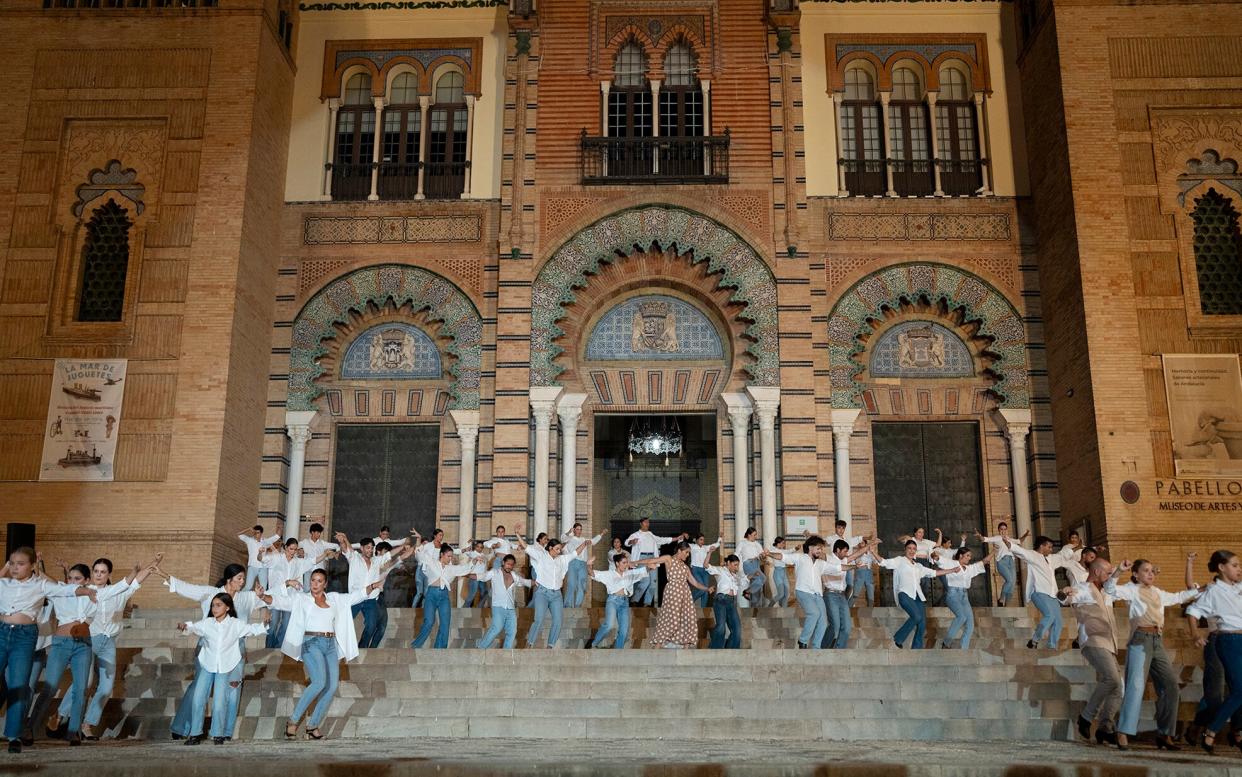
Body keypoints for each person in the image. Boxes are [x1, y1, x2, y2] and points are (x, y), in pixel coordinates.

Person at [36, 556, 158, 743]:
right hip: (88, 641)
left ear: (109, 574)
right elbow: (58, 586)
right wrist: (38, 568)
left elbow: (135, 580)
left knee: (106, 687)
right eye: (96, 571)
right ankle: (60, 715)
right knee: (85, 682)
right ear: (91, 573)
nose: (99, 575)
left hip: (108, 643)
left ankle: (88, 724)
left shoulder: (117, 592)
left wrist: (152, 564)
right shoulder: (85, 591)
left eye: (103, 572)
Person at [267, 568, 381, 741]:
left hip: (330, 645)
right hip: (311, 642)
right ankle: (293, 721)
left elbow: (354, 596)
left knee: (331, 686)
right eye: (313, 580)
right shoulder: (302, 599)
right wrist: (263, 597)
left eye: (319, 581)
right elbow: (279, 602)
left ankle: (312, 726)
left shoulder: (334, 598)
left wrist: (372, 586)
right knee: (319, 682)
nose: (315, 584)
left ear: (325, 584)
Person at [0, 550, 96, 754]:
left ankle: (14, 736)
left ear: (32, 565)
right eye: (12, 563)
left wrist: (85, 591)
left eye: (20, 564)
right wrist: (6, 569)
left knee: (19, 685)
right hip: (2, 633)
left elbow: (65, 590)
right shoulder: (4, 583)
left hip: (25, 637)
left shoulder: (40, 585)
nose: (15, 567)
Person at [160, 562, 268, 741]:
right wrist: (163, 573)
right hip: (208, 646)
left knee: (232, 690)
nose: (242, 582)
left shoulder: (246, 597)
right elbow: (187, 588)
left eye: (243, 578)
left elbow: (269, 598)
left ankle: (224, 732)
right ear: (229, 579)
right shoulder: (211, 593)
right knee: (198, 690)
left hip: (235, 649)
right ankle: (183, 727)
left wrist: (283, 587)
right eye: (239, 578)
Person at [1111, 556, 1200, 751]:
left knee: (1170, 687)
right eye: (1146, 570)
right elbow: (1110, 590)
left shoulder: (1158, 592)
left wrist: (1197, 590)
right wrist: (1118, 571)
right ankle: (1122, 732)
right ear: (1135, 574)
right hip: (1140, 640)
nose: (1151, 573)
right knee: (1135, 686)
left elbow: (1178, 597)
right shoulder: (1130, 590)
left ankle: (1165, 734)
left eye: (1152, 570)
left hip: (1157, 641)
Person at [175, 593, 266, 745]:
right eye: (213, 605)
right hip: (207, 664)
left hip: (225, 666)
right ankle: (195, 734)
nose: (214, 608)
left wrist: (265, 624)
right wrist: (185, 627)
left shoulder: (236, 624)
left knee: (219, 701)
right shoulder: (207, 623)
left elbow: (252, 629)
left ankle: (217, 734)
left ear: (227, 607)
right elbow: (192, 627)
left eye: (219, 605)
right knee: (198, 698)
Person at [1060, 557, 1126, 746]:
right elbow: (1069, 597)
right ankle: (1086, 717)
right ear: (1096, 572)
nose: (1109, 576)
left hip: (1109, 643)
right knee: (1112, 679)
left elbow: (1114, 582)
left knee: (1118, 687)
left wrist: (1120, 570)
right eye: (1106, 572)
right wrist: (1064, 593)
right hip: (1093, 641)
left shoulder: (1107, 591)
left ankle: (1106, 728)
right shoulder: (1084, 588)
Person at [1186, 549, 1242, 755]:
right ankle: (1211, 731)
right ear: (1221, 567)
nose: (1239, 569)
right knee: (1238, 690)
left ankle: (1238, 732)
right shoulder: (1213, 591)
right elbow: (1192, 612)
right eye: (1235, 565)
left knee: (1239, 689)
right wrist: (1195, 635)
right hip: (1228, 639)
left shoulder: (1239, 588)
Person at [514, 529, 590, 648]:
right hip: (542, 593)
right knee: (538, 619)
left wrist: (584, 543)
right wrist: (517, 534)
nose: (559, 551)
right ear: (550, 548)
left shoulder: (562, 559)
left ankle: (550, 645)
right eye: (557, 549)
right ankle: (529, 644)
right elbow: (526, 547)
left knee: (558, 621)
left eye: (560, 549)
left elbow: (575, 553)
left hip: (556, 595)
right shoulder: (541, 556)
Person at [880, 539, 958, 649]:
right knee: (916, 616)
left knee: (922, 624)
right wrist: (872, 551)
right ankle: (898, 638)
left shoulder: (918, 566)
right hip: (904, 593)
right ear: (905, 549)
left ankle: (916, 649)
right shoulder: (900, 560)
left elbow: (934, 573)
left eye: (914, 549)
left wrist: (952, 570)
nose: (912, 551)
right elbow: (884, 562)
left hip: (918, 596)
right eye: (909, 548)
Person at [633, 541, 711, 648]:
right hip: (673, 591)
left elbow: (695, 583)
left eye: (689, 553)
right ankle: (657, 646)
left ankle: (686, 649)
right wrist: (634, 562)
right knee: (672, 620)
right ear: (679, 550)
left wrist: (707, 589)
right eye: (686, 552)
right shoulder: (669, 559)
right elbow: (652, 560)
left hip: (685, 594)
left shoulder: (685, 567)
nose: (688, 555)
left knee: (689, 619)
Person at [336, 533, 405, 649]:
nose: (370, 550)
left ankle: (362, 647)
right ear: (362, 548)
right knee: (344, 622)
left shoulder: (376, 561)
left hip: (370, 600)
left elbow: (389, 554)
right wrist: (342, 540)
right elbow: (345, 549)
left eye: (372, 548)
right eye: (368, 548)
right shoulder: (354, 558)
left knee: (372, 626)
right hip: (355, 598)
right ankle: (337, 647)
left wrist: (403, 546)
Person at [1005, 535, 1072, 649]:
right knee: (1049, 615)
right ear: (1042, 546)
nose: (1051, 550)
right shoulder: (1033, 555)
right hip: (1039, 592)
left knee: (1058, 622)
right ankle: (1035, 640)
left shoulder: (1051, 559)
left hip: (1053, 595)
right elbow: (1020, 551)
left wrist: (1080, 548)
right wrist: (1009, 544)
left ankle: (1051, 646)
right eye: (1049, 547)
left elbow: (1063, 555)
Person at [262, 539, 331, 649]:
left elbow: (313, 561)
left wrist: (325, 554)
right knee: (273, 624)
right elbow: (262, 559)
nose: (293, 552)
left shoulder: (298, 562)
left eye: (295, 549)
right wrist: (260, 553)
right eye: (291, 549)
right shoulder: (276, 558)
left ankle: (279, 649)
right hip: (275, 597)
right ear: (285, 547)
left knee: (286, 626)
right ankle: (268, 649)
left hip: (290, 599)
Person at [765, 536, 830, 650]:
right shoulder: (800, 558)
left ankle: (816, 647)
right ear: (810, 548)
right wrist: (769, 554)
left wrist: (854, 565)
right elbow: (783, 556)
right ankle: (803, 640)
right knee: (814, 613)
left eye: (821, 548)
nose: (820, 551)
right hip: (803, 591)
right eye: (818, 548)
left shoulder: (820, 563)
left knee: (824, 622)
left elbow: (838, 567)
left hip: (818, 595)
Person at [410, 544, 471, 649]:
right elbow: (420, 555)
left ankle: (440, 649)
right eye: (448, 556)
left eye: (451, 556)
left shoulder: (451, 568)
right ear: (442, 554)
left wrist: (473, 562)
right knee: (429, 621)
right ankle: (416, 645)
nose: (450, 558)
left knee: (445, 624)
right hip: (431, 595)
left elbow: (464, 569)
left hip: (444, 596)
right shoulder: (432, 562)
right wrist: (419, 544)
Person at [584, 555, 648, 649]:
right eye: (624, 563)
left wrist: (648, 564)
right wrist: (589, 564)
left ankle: (618, 651)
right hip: (613, 601)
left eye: (627, 563)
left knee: (624, 630)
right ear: (617, 563)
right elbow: (592, 573)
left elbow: (646, 569)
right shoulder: (609, 574)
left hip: (624, 603)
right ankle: (593, 644)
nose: (626, 565)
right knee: (609, 624)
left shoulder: (630, 573)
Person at [940, 545, 994, 650]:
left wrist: (994, 551)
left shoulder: (970, 569)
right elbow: (939, 560)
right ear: (960, 556)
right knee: (961, 617)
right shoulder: (951, 563)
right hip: (952, 594)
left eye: (970, 556)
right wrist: (935, 556)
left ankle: (964, 649)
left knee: (970, 624)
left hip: (964, 597)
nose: (970, 558)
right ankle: (946, 643)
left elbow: (984, 561)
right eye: (967, 555)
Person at [624, 519, 687, 607]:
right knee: (645, 581)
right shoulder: (635, 534)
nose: (647, 524)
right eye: (646, 522)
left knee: (653, 582)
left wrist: (677, 538)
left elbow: (662, 540)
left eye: (648, 522)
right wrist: (632, 541)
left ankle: (647, 603)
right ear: (641, 524)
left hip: (653, 558)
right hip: (642, 558)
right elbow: (626, 543)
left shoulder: (651, 534)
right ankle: (634, 600)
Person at [474, 555, 531, 649]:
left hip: (510, 607)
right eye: (508, 564)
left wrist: (539, 582)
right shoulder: (494, 572)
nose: (510, 566)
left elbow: (526, 582)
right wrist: (466, 573)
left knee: (512, 631)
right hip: (498, 605)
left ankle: (506, 652)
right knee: (496, 628)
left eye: (512, 565)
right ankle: (480, 647)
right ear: (503, 563)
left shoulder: (514, 576)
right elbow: (482, 577)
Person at [821, 539, 869, 649]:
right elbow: (816, 553)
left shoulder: (844, 560)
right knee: (835, 626)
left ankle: (839, 649)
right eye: (845, 551)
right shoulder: (827, 558)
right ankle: (822, 648)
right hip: (830, 595)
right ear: (837, 550)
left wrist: (870, 544)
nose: (846, 554)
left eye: (847, 552)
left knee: (847, 627)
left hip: (842, 596)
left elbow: (857, 553)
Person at [977, 523, 1028, 606]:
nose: (1003, 531)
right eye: (1001, 529)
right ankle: (1001, 599)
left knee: (1012, 584)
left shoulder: (1010, 539)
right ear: (999, 530)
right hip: (1002, 561)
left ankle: (1007, 605)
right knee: (1009, 580)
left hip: (1011, 562)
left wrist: (1025, 535)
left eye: (1005, 529)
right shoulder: (997, 538)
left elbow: (1019, 541)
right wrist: (979, 536)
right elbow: (985, 539)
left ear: (1007, 530)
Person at [705, 555, 746, 649]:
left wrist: (754, 574)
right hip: (721, 600)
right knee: (721, 627)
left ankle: (732, 650)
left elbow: (744, 581)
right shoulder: (720, 570)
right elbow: (706, 566)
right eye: (735, 565)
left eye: (737, 565)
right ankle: (715, 649)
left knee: (737, 628)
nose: (737, 567)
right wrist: (710, 553)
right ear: (728, 563)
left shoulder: (735, 576)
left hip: (732, 602)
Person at [560, 524, 604, 608]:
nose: (579, 531)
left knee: (582, 585)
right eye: (577, 529)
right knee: (572, 584)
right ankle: (567, 606)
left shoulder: (584, 539)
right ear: (574, 530)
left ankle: (577, 605)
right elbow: (562, 538)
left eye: (580, 529)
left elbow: (593, 541)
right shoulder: (570, 538)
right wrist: (569, 532)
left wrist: (601, 534)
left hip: (583, 564)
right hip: (572, 562)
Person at [238, 526, 281, 591]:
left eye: (257, 533)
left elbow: (277, 536)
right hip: (252, 567)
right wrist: (248, 529)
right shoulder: (250, 540)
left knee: (263, 588)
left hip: (263, 567)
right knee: (248, 587)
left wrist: (279, 528)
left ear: (261, 533)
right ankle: (238, 599)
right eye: (254, 533)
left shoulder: (265, 541)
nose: (255, 534)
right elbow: (238, 534)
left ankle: (260, 600)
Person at [298, 522, 339, 590]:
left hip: (320, 571)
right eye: (317, 532)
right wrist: (299, 553)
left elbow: (336, 546)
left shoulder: (322, 543)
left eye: (320, 532)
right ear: (312, 532)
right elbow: (295, 547)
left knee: (320, 590)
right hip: (308, 570)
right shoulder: (304, 542)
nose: (319, 534)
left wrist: (337, 552)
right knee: (307, 590)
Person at [411, 528, 445, 608]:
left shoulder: (442, 546)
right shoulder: (428, 545)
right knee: (419, 592)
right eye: (440, 535)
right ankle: (413, 609)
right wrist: (419, 538)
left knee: (426, 593)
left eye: (442, 535)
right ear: (435, 536)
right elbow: (418, 552)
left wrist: (464, 550)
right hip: (421, 569)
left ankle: (424, 609)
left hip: (430, 571)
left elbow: (452, 551)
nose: (441, 537)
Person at [688, 535, 722, 608]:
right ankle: (689, 602)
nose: (702, 541)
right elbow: (682, 545)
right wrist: (682, 538)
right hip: (696, 569)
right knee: (702, 589)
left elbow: (716, 544)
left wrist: (720, 538)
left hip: (705, 570)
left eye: (703, 540)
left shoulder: (705, 547)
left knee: (706, 591)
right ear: (696, 540)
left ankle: (703, 609)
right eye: (701, 539)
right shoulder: (692, 546)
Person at [736, 527, 766, 606]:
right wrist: (733, 564)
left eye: (756, 535)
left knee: (762, 579)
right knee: (759, 580)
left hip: (756, 563)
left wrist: (764, 555)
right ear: (749, 535)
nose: (756, 537)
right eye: (754, 535)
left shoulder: (757, 544)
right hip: (748, 564)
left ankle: (753, 607)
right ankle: (747, 592)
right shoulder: (742, 543)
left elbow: (762, 555)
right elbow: (736, 554)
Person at [461, 541, 492, 608]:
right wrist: (469, 543)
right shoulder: (472, 554)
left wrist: (493, 547)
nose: (479, 548)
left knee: (485, 593)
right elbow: (466, 552)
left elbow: (491, 555)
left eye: (481, 547)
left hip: (482, 578)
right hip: (474, 577)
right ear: (475, 547)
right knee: (472, 595)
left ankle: (479, 609)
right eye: (477, 547)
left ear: (483, 548)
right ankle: (463, 610)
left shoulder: (484, 555)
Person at [766, 536, 790, 608]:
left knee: (786, 594)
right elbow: (767, 553)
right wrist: (765, 559)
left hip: (784, 572)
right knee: (781, 594)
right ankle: (770, 606)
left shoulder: (783, 551)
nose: (784, 545)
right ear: (778, 543)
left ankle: (784, 609)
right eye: (782, 543)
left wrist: (796, 548)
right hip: (777, 573)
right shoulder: (773, 550)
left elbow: (790, 551)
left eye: (784, 543)